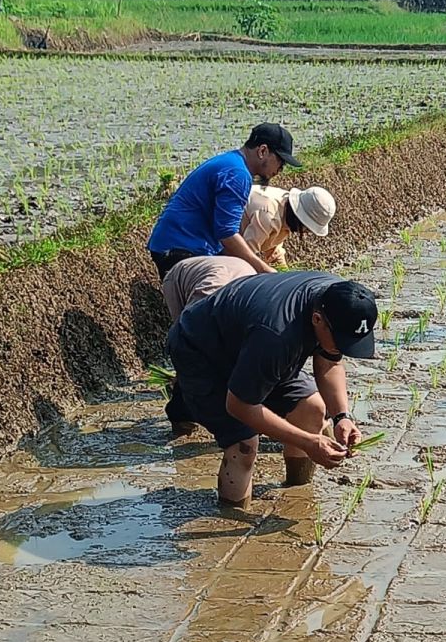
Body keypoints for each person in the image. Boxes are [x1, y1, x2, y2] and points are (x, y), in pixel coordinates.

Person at [168, 272, 377, 509]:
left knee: (313, 408)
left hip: (253, 345)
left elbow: (330, 360)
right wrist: (309, 443)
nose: (344, 348)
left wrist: (342, 416)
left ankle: (298, 494)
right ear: (317, 320)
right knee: (244, 444)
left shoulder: (339, 299)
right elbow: (239, 405)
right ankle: (232, 516)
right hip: (201, 350)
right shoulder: (276, 335)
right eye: (341, 341)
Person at [148, 123, 302, 281]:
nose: (280, 169)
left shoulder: (232, 162)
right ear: (263, 151)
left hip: (177, 245)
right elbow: (226, 233)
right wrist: (264, 269)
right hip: (180, 249)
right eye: (281, 161)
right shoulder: (237, 174)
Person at [241, 184, 337, 268]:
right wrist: (267, 272)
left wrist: (285, 276)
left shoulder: (286, 213)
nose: (306, 232)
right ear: (299, 218)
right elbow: (245, 255)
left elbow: (274, 252)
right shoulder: (269, 215)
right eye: (307, 228)